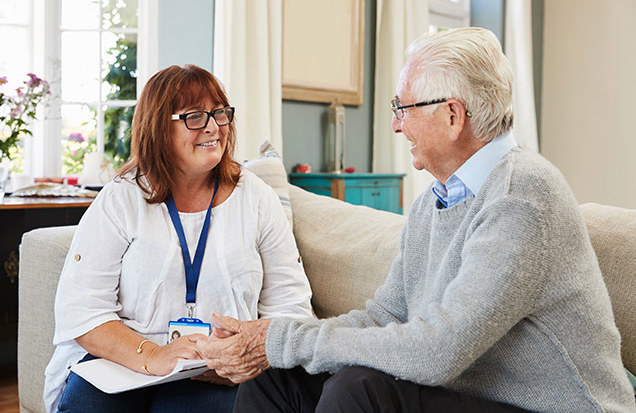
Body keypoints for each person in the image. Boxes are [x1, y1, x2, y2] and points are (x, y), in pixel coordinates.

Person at [195, 27, 636, 412]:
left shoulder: (523, 195)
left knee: (359, 391)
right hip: (474, 396)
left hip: (552, 408)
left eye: (402, 108)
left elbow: (438, 350)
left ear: (452, 115)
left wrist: (278, 342)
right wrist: (274, 341)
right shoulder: (435, 200)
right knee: (277, 379)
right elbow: (385, 316)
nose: (394, 125)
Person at [43, 64, 313, 413]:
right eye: (196, 117)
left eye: (219, 113)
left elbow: (291, 307)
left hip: (218, 371)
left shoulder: (256, 198)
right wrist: (154, 355)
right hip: (124, 362)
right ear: (158, 127)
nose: (214, 127)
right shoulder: (121, 198)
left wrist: (244, 357)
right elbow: (81, 310)